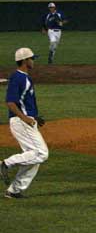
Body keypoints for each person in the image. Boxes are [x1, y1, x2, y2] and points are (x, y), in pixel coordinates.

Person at [0, 48, 48, 198]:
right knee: (41, 153)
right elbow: (10, 102)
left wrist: (34, 116)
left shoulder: (23, 78)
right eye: (31, 58)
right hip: (21, 122)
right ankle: (5, 164)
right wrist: (25, 118)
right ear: (25, 60)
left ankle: (14, 190)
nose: (33, 61)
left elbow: (24, 102)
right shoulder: (18, 77)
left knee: (33, 157)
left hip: (26, 120)